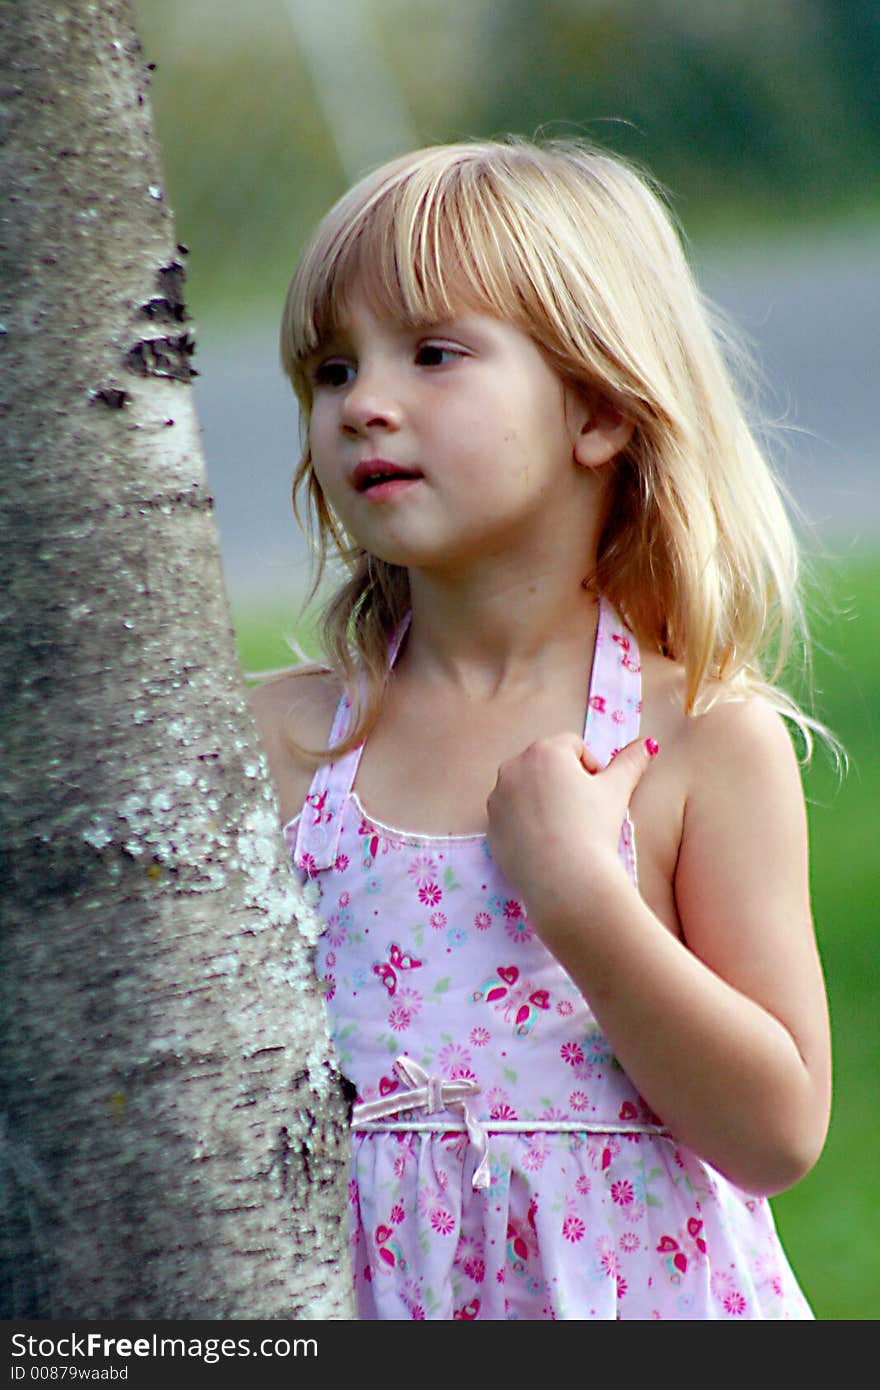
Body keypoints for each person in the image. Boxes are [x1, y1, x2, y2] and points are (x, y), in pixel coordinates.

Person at [251, 138, 832, 1319]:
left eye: (434, 354)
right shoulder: (292, 743)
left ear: (600, 414)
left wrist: (577, 893)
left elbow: (774, 1132)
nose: (364, 401)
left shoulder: (700, 744)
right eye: (329, 368)